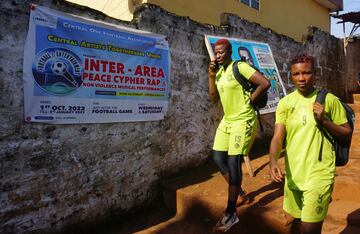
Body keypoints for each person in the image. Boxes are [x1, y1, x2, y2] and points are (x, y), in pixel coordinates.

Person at [269, 54, 352, 234]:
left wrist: (324, 121)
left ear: (315, 74)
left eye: (306, 73)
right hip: (294, 176)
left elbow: (346, 133)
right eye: (296, 74)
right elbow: (277, 138)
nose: (301, 78)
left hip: (319, 175)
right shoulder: (285, 103)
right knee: (294, 225)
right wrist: (273, 161)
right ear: (291, 76)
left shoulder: (328, 100)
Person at [208, 38, 270, 232]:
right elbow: (213, 97)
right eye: (216, 53)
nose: (218, 55)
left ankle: (231, 212)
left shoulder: (239, 66)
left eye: (221, 52)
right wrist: (211, 75)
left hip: (243, 120)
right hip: (227, 120)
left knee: (234, 161)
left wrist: (249, 101)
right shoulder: (219, 72)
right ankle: (241, 194)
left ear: (229, 51)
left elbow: (265, 83)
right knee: (218, 159)